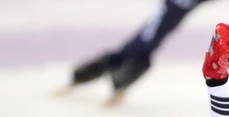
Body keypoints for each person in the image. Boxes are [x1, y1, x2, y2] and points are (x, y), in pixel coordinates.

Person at [63, 0, 213, 105]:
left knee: (140, 47)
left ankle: (107, 80)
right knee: (139, 47)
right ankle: (96, 77)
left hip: (156, 32)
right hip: (153, 31)